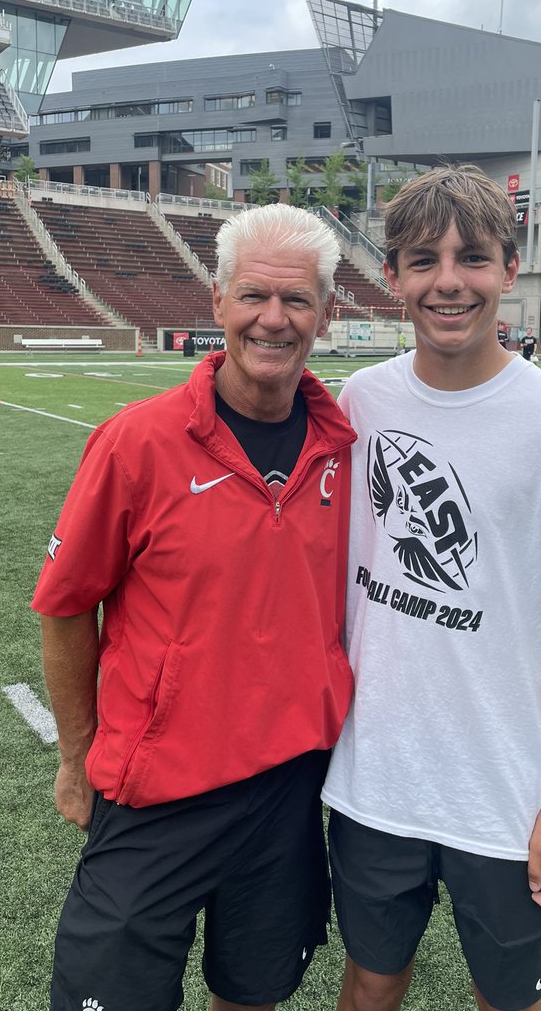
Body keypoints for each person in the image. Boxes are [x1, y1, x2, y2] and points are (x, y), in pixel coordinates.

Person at [322, 165, 541, 1011]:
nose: (449, 281)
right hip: (374, 779)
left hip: (505, 790)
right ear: (391, 276)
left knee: (507, 999)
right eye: (423, 261)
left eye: (472, 258)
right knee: (369, 983)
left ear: (510, 267)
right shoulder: (361, 402)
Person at [33, 203, 356, 1011]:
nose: (274, 319)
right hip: (155, 792)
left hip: (286, 789)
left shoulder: (348, 449)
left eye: (296, 300)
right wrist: (75, 757)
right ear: (217, 301)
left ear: (326, 313)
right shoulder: (136, 442)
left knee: (253, 992)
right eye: (253, 296)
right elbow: (66, 606)